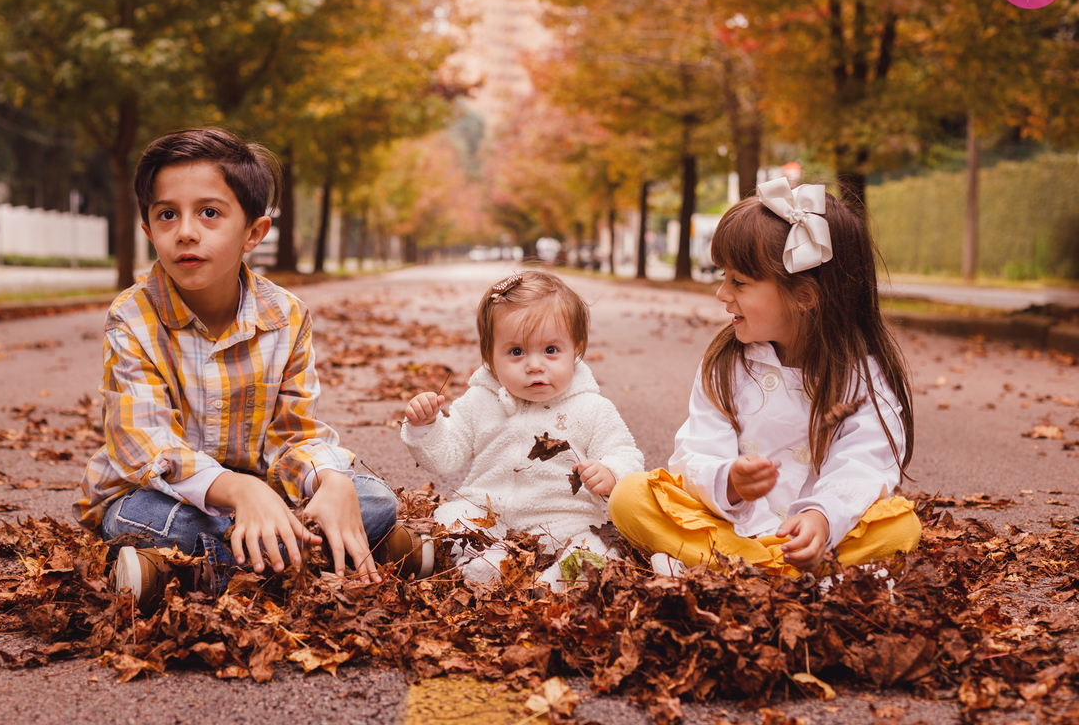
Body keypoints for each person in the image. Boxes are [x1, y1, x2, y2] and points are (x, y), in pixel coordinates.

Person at [74, 128, 421, 612]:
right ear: (148, 229)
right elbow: (145, 444)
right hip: (164, 497)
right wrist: (240, 490)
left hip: (266, 494)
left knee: (372, 496)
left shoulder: (286, 315)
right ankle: (328, 555)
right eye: (167, 214)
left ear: (254, 233)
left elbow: (294, 434)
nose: (186, 231)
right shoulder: (132, 317)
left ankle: (184, 572)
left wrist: (329, 481)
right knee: (145, 520)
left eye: (209, 213)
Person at [608, 178, 921, 578]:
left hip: (816, 536)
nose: (722, 293)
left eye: (738, 282)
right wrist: (730, 481)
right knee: (630, 497)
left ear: (805, 297)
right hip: (729, 527)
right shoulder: (726, 362)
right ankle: (773, 573)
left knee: (900, 527)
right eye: (724, 277)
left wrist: (822, 519)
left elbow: (865, 462)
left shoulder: (863, 375)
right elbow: (695, 450)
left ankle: (726, 569)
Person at [402, 269, 644, 590]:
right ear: (490, 357)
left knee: (599, 548)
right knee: (451, 519)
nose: (534, 365)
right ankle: (466, 565)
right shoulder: (479, 401)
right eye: (516, 352)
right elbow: (446, 455)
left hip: (566, 521)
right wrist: (426, 427)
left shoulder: (592, 409)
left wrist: (611, 472)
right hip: (488, 517)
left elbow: (625, 452)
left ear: (577, 349)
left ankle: (553, 586)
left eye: (551, 350)